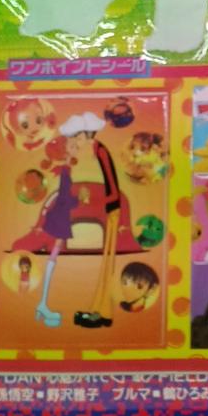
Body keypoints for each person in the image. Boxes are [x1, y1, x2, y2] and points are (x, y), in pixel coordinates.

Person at [60, 112, 123, 330]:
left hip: (112, 209)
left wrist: (98, 202)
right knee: (106, 263)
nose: (75, 143)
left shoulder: (99, 151)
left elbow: (110, 186)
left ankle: (103, 312)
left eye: (76, 138)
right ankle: (99, 310)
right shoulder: (96, 151)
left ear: (85, 135)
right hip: (110, 208)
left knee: (108, 264)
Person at [34, 135, 78, 328]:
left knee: (56, 251)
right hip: (60, 217)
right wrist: (77, 201)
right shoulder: (65, 172)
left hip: (61, 215)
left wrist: (75, 201)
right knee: (55, 250)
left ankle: (42, 304)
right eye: (72, 146)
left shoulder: (66, 172)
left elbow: (64, 196)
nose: (76, 148)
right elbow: (64, 197)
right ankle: (42, 303)